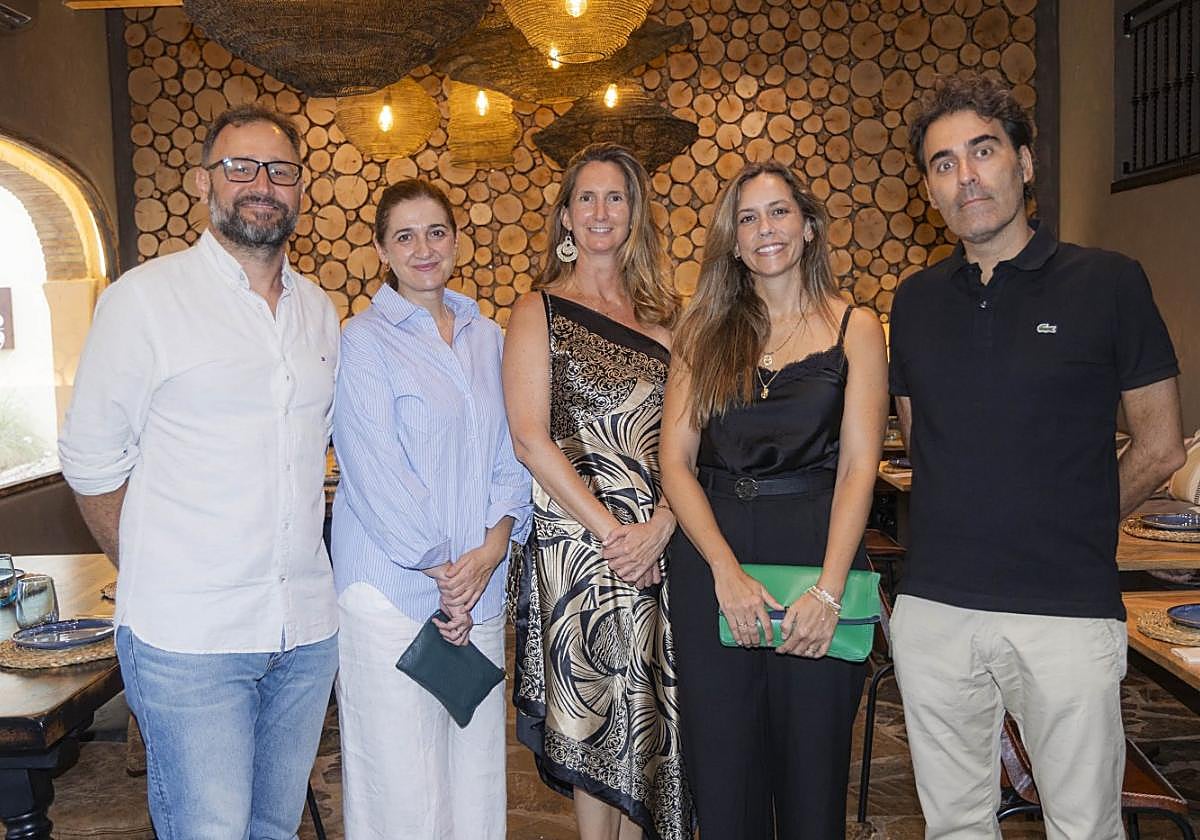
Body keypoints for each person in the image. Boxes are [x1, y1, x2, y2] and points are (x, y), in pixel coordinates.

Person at [888, 72, 1186, 840]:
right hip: (936, 611)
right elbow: (923, 440)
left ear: (1024, 162)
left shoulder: (1109, 283)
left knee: (1083, 827)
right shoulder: (914, 302)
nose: (966, 176)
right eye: (944, 163)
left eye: (983, 151)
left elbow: (1160, 445)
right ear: (930, 190)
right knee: (955, 826)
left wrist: (1075, 519)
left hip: (1066, 612)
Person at [58, 105, 339, 839]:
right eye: (240, 167)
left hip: (305, 631)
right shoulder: (145, 300)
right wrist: (151, 565)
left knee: (274, 829)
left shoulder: (318, 311)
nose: (262, 185)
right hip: (191, 641)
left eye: (280, 171)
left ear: (300, 188)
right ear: (203, 182)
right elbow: (90, 459)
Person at [659, 160, 888, 838]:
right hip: (712, 562)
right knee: (724, 780)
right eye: (748, 218)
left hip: (817, 554)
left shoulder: (856, 327)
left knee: (813, 780)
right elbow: (675, 463)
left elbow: (859, 467)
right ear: (733, 241)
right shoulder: (701, 330)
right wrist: (724, 572)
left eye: (779, 211)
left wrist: (828, 592)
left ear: (809, 226)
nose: (766, 229)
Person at [330, 179, 530, 839]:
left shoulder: (487, 336)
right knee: (403, 789)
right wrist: (447, 572)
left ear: (457, 241)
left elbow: (512, 451)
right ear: (382, 250)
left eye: (436, 232)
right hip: (394, 593)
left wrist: (491, 551)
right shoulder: (362, 340)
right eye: (406, 236)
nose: (424, 249)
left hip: (479, 589)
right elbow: (376, 471)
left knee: (476, 782)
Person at [504, 142, 694, 840]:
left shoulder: (670, 319)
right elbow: (530, 439)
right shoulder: (538, 310)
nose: (601, 211)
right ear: (565, 215)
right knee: (595, 723)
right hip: (580, 550)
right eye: (586, 197)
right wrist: (615, 536)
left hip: (659, 548)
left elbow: (690, 441)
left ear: (635, 213)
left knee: (648, 723)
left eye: (616, 197)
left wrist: (663, 524)